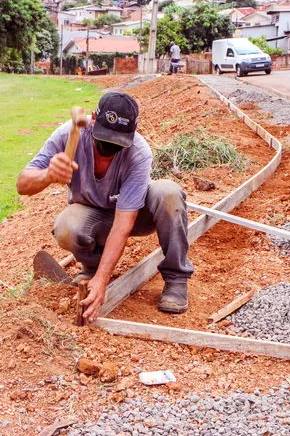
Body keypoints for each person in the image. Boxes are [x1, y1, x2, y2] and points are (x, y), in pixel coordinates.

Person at [16, 92, 192, 322]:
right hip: (93, 213)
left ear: (132, 133)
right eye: (104, 140)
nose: (109, 150)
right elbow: (22, 185)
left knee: (167, 193)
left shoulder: (139, 153)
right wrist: (47, 174)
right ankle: (91, 266)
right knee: (67, 226)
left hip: (136, 214)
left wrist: (103, 280)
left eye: (117, 144)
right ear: (92, 119)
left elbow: (123, 225)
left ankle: (176, 278)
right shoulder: (69, 134)